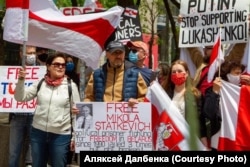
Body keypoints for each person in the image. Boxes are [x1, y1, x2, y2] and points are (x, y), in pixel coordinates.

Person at [14, 52, 80, 167]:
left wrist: (75, 137)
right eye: (57, 64)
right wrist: (21, 80)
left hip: (61, 136)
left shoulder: (71, 86)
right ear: (48, 66)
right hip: (38, 133)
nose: (60, 67)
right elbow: (20, 97)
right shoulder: (40, 83)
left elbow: (76, 114)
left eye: (63, 65)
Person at [83, 40, 148, 105]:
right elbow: (89, 98)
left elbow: (145, 97)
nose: (118, 56)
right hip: (102, 114)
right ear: (107, 54)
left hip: (126, 114)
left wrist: (136, 101)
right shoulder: (96, 75)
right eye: (114, 53)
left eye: (120, 53)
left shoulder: (134, 74)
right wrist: (80, 108)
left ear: (124, 53)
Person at [202, 60, 246, 150]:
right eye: (237, 73)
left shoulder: (244, 91)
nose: (240, 76)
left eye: (240, 73)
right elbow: (208, 114)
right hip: (219, 141)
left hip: (239, 141)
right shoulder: (213, 90)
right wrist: (215, 92)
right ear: (226, 75)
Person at [166, 60, 207, 147]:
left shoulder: (195, 95)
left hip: (186, 140)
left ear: (186, 73)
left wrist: (204, 142)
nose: (176, 74)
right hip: (169, 137)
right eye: (173, 72)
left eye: (180, 71)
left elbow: (199, 121)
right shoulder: (164, 94)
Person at [9, 45, 37, 167]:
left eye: (34, 53)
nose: (32, 56)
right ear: (21, 54)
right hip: (17, 115)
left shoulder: (42, 72)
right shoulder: (12, 70)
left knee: (33, 149)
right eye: (29, 53)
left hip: (35, 116)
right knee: (13, 150)